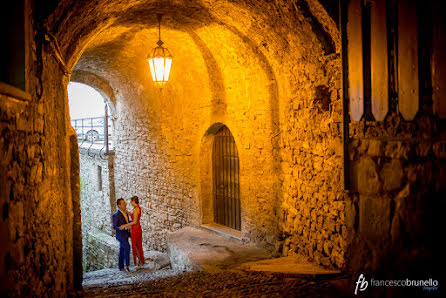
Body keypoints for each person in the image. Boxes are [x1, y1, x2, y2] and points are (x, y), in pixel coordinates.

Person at [120, 196, 145, 268]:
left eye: (131, 201)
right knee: (136, 245)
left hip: (136, 229)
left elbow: (134, 222)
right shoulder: (136, 208)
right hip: (136, 228)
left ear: (134, 201)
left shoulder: (136, 209)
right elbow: (132, 215)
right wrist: (126, 211)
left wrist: (125, 225)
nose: (130, 203)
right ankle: (140, 261)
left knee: (136, 246)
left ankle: (140, 261)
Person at [112, 198, 131, 272]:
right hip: (120, 235)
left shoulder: (125, 213)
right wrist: (125, 227)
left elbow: (126, 221)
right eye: (123, 203)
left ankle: (121, 266)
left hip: (126, 235)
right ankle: (127, 265)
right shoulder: (116, 215)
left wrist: (131, 223)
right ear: (119, 205)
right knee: (127, 246)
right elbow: (115, 226)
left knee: (122, 250)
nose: (125, 204)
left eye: (125, 203)